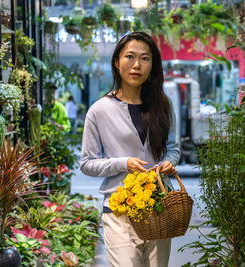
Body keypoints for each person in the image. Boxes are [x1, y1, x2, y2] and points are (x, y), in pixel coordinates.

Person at [80, 32, 180, 267]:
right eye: (130, 57)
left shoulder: (163, 105)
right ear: (117, 62)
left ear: (152, 65)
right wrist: (122, 163)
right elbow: (86, 163)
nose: (137, 65)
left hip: (158, 205)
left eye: (145, 58)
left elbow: (173, 148)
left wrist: (168, 162)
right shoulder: (100, 110)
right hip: (118, 210)